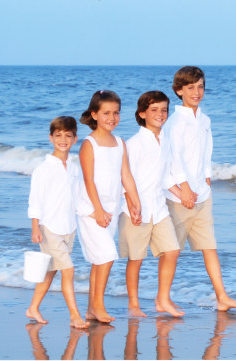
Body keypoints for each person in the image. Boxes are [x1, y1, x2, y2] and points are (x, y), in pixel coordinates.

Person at [164, 66, 236, 312]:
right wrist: (186, 188)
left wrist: (207, 178)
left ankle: (222, 297)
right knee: (172, 251)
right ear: (179, 91)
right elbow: (173, 158)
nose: (197, 92)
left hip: (202, 192)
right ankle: (163, 299)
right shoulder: (175, 122)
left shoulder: (205, 120)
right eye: (190, 88)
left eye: (200, 86)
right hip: (180, 194)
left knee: (209, 246)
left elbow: (206, 152)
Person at [77, 90, 141, 323]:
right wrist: (98, 209)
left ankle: (91, 309)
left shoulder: (120, 143)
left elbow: (126, 175)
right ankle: (99, 307)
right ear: (94, 114)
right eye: (106, 113)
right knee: (106, 256)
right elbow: (88, 180)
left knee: (99, 259)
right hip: (91, 210)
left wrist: (136, 203)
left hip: (112, 209)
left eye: (116, 113)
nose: (111, 117)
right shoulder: (89, 144)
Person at [119, 91, 184, 318]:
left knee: (172, 250)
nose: (160, 114)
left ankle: (162, 299)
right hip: (136, 210)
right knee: (136, 258)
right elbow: (124, 179)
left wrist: (182, 194)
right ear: (142, 113)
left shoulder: (165, 141)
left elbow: (165, 177)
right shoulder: (133, 144)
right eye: (154, 110)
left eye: (164, 110)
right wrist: (133, 206)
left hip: (159, 208)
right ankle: (134, 305)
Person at [26, 116, 89, 329]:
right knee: (68, 270)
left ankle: (33, 307)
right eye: (58, 135)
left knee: (51, 270)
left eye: (68, 136)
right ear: (51, 138)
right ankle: (74, 316)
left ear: (75, 139)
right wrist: (35, 226)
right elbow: (35, 200)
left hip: (68, 227)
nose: (63, 139)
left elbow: (79, 197)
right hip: (49, 227)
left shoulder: (73, 167)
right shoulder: (43, 170)